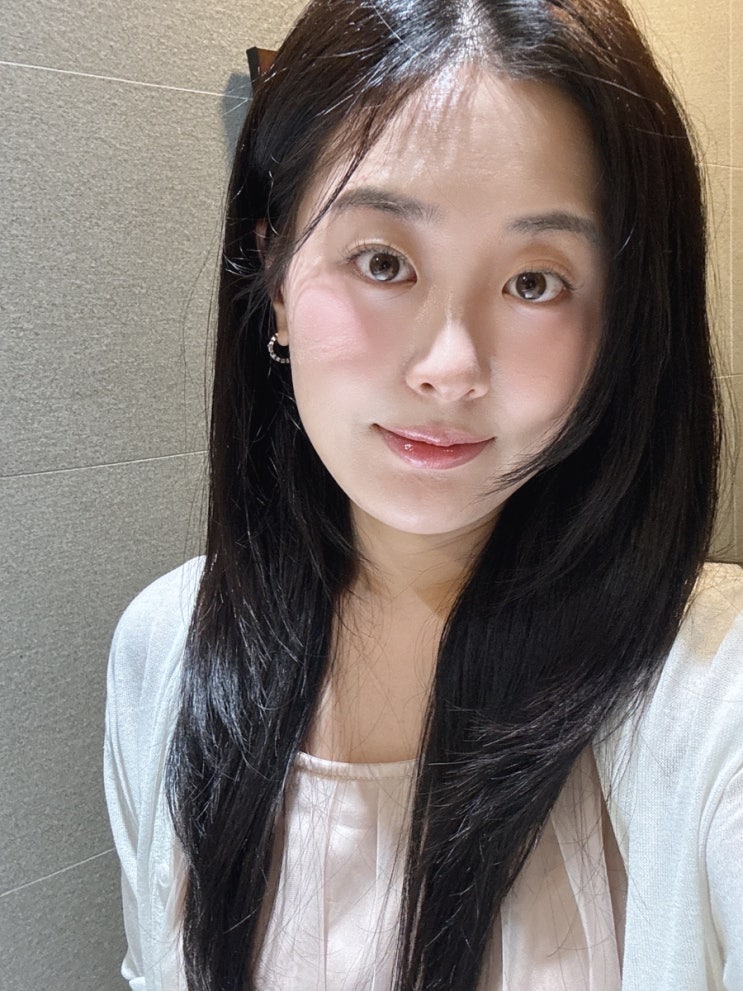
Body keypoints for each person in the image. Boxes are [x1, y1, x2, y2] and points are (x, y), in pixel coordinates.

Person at [104, 0, 743, 988]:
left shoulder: (711, 687)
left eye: (534, 282)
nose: (450, 367)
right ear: (276, 275)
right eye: (383, 262)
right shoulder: (165, 650)